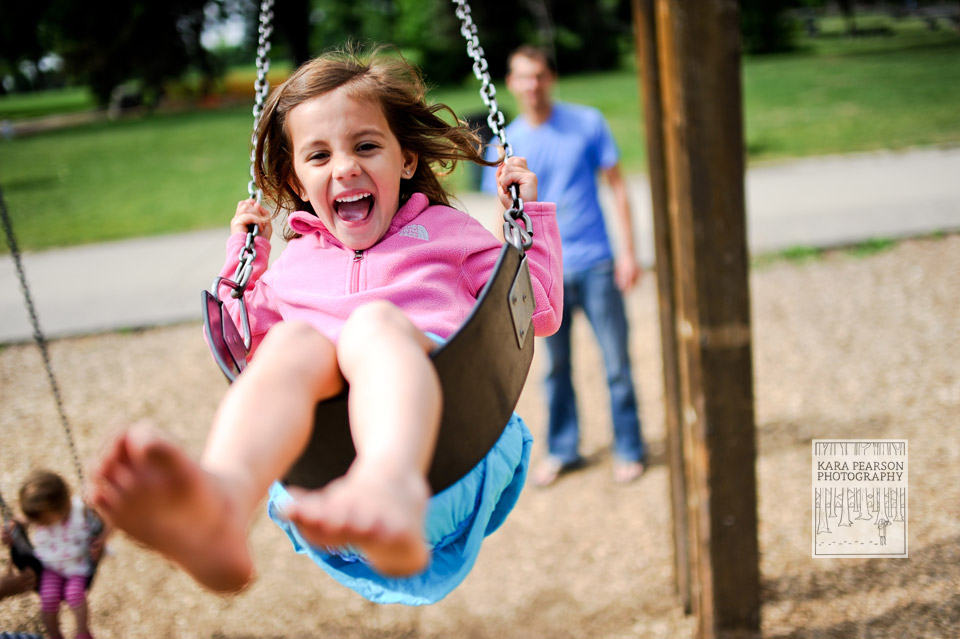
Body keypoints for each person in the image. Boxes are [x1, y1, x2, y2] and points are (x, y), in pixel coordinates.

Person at [89, 45, 562, 606]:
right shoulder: (293, 267)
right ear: (295, 178)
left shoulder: (446, 233)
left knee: (373, 327)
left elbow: (536, 310)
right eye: (318, 156)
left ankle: (389, 485)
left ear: (406, 160)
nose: (345, 167)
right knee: (289, 343)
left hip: (448, 453)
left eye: (366, 146)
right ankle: (223, 506)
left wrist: (527, 219)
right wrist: (244, 265)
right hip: (326, 498)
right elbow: (237, 345)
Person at [482, 45, 646, 487]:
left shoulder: (587, 122)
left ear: (550, 78)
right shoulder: (506, 145)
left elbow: (618, 187)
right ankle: (564, 449)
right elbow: (503, 216)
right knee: (554, 369)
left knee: (616, 363)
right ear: (511, 84)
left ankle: (629, 447)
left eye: (539, 75)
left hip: (595, 262)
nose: (532, 85)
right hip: (543, 274)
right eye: (523, 77)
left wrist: (629, 253)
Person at [14, 471, 106, 639]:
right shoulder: (40, 515)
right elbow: (21, 521)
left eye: (45, 522)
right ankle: (54, 634)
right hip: (50, 567)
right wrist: (11, 529)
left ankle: (82, 632)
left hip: (77, 566)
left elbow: (103, 521)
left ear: (62, 507)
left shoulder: (81, 510)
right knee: (48, 598)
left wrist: (102, 537)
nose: (41, 525)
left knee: (75, 595)